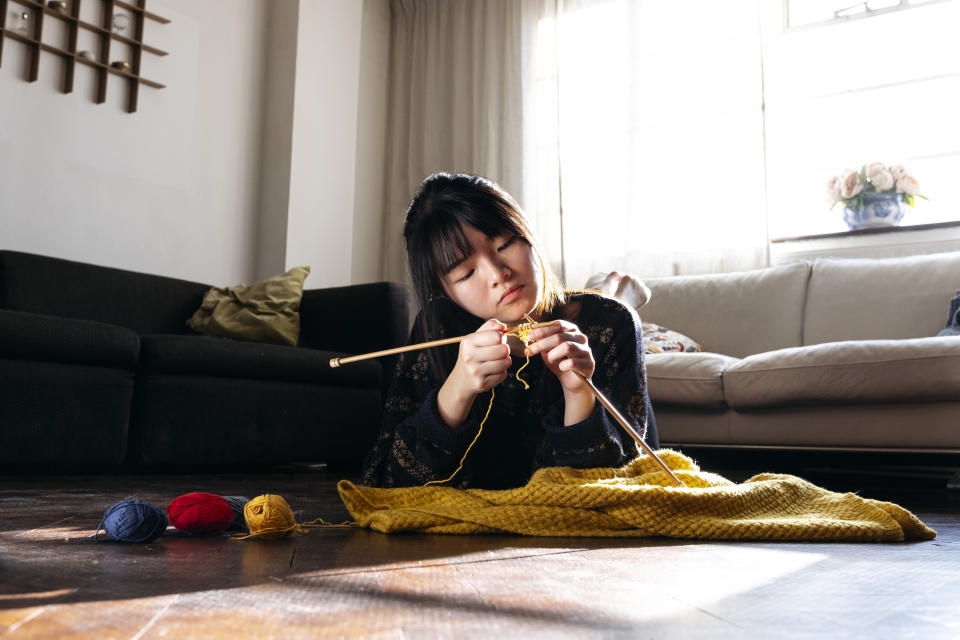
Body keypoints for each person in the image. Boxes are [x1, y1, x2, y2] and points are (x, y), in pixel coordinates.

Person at [361, 173, 659, 489]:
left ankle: (613, 293)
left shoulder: (610, 324)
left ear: (528, 234)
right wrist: (457, 389)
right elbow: (386, 482)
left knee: (612, 310)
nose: (498, 274)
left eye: (505, 244)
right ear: (445, 292)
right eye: (467, 273)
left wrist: (578, 394)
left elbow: (624, 481)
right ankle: (612, 289)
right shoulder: (438, 328)